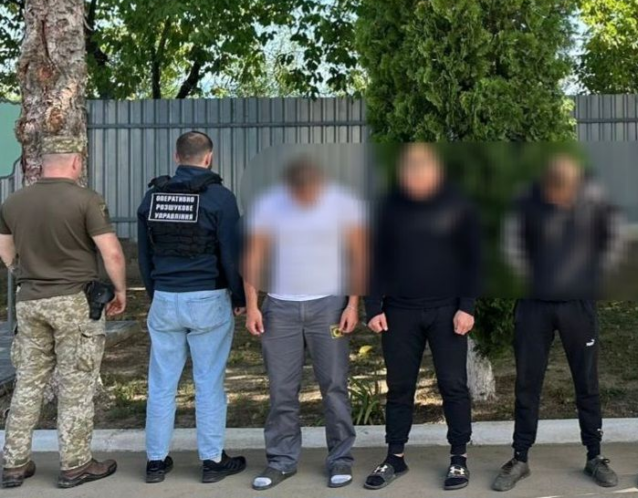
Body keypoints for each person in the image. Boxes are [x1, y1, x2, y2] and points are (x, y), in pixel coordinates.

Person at [492, 153, 625, 492]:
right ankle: (520, 458)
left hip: (577, 307)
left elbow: (611, 240)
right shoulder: (526, 201)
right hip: (533, 306)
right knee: (527, 384)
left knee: (587, 383)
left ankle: (594, 456)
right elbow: (511, 245)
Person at [0, 136, 127, 489]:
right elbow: (112, 252)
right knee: (76, 384)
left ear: (42, 164)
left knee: (28, 382)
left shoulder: (13, 201)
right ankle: (75, 464)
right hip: (73, 301)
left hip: (30, 301)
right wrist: (119, 290)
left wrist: (21, 271)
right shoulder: (86, 200)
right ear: (75, 162)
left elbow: (5, 248)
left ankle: (13, 463)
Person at [243, 157, 366, 490]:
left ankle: (340, 458)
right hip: (279, 310)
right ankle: (281, 460)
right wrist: (252, 306)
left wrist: (352, 304)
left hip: (328, 307)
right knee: (281, 390)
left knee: (334, 386)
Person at [363, 143, 481, 492]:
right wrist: (373, 307)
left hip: (447, 311)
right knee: (400, 388)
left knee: (453, 385)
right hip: (399, 313)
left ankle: (459, 458)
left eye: (422, 169)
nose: (415, 176)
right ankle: (395, 457)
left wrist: (467, 306)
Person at [136, 131, 247, 484]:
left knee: (161, 383)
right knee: (209, 382)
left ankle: (155, 461)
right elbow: (231, 255)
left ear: (176, 156)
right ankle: (212, 461)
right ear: (209, 158)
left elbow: (144, 255)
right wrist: (240, 297)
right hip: (207, 299)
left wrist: (156, 292)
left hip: (165, 297)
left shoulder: (153, 196)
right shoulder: (220, 198)